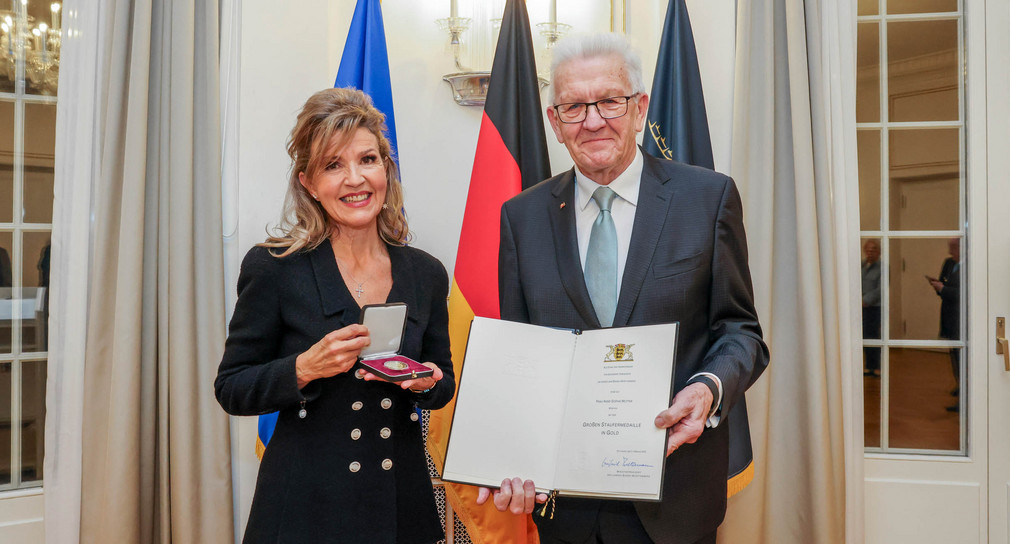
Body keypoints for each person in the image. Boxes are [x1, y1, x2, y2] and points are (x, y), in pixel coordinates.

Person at [484, 34, 769, 544]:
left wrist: (707, 389)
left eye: (609, 101)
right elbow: (521, 357)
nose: (592, 121)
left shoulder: (708, 198)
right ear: (555, 122)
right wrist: (511, 456)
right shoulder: (520, 217)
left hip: (675, 495)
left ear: (639, 108)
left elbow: (741, 331)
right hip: (564, 504)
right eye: (573, 106)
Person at [215, 88, 455, 544]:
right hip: (305, 508)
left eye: (367, 159)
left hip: (402, 508)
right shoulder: (273, 267)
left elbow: (443, 382)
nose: (354, 179)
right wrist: (304, 368)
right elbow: (232, 388)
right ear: (308, 182)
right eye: (333, 165)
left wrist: (426, 381)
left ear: (385, 167)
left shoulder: (426, 272)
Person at [927, 238, 960, 411]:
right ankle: (959, 385)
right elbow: (944, 286)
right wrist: (938, 287)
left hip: (961, 318)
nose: (949, 252)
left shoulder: (971, 263)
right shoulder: (948, 263)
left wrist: (944, 289)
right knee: (954, 354)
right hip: (948, 316)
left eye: (953, 248)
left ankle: (965, 397)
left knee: (963, 357)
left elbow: (966, 294)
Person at [862, 239, 881, 377]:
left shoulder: (883, 267)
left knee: (873, 336)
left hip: (874, 307)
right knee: (863, 336)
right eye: (868, 250)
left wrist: (865, 300)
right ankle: (868, 367)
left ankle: (876, 367)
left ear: (879, 251)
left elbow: (881, 289)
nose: (870, 252)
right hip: (860, 308)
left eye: (873, 249)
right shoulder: (861, 266)